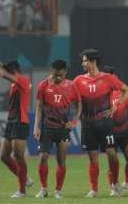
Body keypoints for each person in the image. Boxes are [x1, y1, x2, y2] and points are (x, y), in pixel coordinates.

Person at [73, 49, 128, 197]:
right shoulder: (78, 80)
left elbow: (127, 91)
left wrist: (115, 106)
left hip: (105, 124)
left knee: (112, 154)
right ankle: (94, 189)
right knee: (93, 157)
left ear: (93, 62)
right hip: (87, 124)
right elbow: (69, 93)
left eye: (85, 60)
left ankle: (115, 184)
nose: (83, 63)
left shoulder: (108, 78)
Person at [0, 46, 33, 198]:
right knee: (4, 157)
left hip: (21, 121)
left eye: (9, 71)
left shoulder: (24, 81)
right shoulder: (15, 81)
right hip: (11, 121)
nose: (7, 73)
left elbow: (2, 73)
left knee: (18, 156)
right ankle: (25, 179)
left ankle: (22, 191)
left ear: (15, 71)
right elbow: (4, 70)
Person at [33, 59, 82, 199]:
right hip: (47, 126)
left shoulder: (71, 86)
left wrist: (74, 121)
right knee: (43, 157)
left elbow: (79, 104)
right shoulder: (43, 85)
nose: (57, 78)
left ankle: (58, 190)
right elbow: (39, 107)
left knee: (61, 160)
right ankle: (43, 189)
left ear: (65, 72)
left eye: (60, 75)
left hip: (63, 127)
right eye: (55, 75)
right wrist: (36, 126)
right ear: (51, 72)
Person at [102, 66, 128, 195]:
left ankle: (126, 182)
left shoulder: (124, 92)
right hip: (110, 131)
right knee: (112, 160)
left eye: (112, 76)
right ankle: (113, 187)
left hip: (125, 130)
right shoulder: (103, 94)